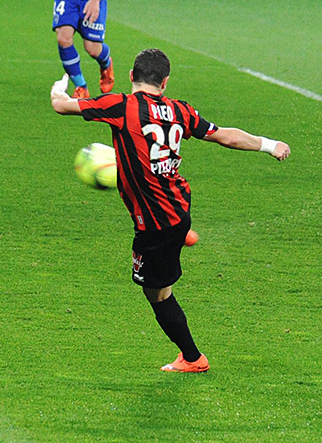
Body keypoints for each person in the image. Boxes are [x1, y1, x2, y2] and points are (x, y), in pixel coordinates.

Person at [50, 48, 291, 372]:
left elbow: (60, 105)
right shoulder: (181, 110)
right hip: (178, 204)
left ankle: (193, 358)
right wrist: (267, 143)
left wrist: (58, 88)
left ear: (132, 76)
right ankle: (181, 235)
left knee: (158, 294)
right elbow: (225, 137)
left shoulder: (121, 105)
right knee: (164, 213)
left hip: (155, 226)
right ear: (164, 83)